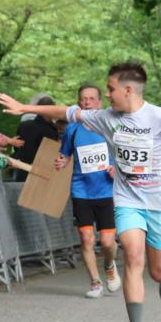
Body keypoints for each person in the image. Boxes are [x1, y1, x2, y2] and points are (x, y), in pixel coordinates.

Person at [0, 62, 161, 322]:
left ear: (128, 89)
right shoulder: (106, 118)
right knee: (132, 255)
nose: (107, 95)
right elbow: (65, 111)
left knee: (157, 270)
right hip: (127, 200)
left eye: (110, 89)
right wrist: (24, 108)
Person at [53, 84, 121, 299]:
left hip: (106, 191)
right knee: (86, 237)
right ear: (79, 102)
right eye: (84, 99)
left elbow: (124, 155)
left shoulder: (110, 127)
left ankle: (109, 265)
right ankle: (95, 282)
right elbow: (64, 155)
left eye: (92, 98)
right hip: (81, 189)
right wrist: (61, 162)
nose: (88, 102)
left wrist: (116, 169)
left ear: (99, 102)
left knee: (109, 242)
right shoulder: (72, 129)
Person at [12, 96, 59, 181]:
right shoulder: (49, 131)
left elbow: (16, 146)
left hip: (21, 171)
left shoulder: (24, 125)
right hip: (40, 176)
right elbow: (52, 156)